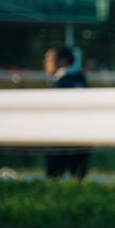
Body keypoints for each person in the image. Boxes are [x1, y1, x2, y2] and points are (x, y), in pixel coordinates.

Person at [42, 45, 92, 179]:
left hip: (59, 139)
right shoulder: (81, 79)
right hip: (82, 138)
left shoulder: (60, 83)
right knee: (78, 180)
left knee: (53, 179)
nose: (46, 64)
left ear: (63, 60)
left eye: (49, 59)